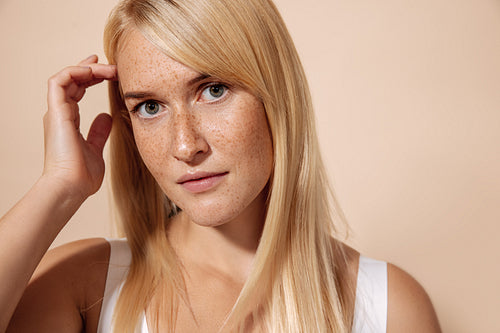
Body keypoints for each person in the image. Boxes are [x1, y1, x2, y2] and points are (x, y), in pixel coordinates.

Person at [0, 0, 441, 332]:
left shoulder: (388, 308)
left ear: (276, 94)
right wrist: (58, 187)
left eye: (212, 90)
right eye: (150, 106)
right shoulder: (86, 285)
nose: (185, 145)